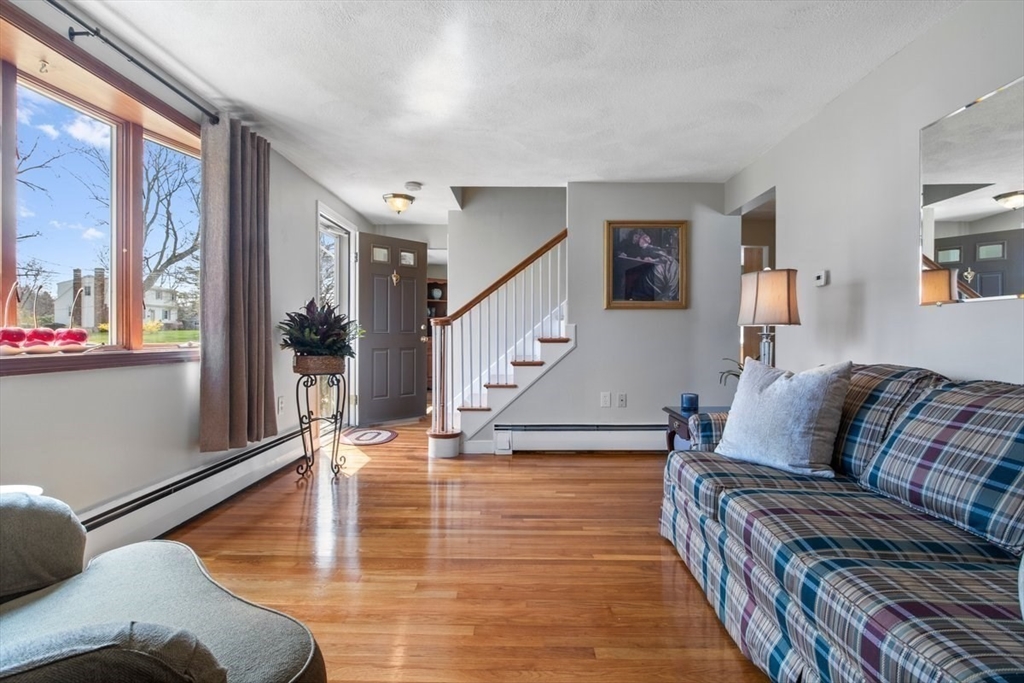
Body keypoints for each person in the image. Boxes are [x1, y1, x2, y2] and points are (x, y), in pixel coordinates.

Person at [616, 229, 679, 301]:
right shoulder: (630, 246)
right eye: (635, 237)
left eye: (638, 237)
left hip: (659, 270)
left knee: (670, 264)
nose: (637, 239)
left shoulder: (650, 248)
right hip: (643, 273)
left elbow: (664, 256)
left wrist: (648, 250)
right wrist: (621, 254)